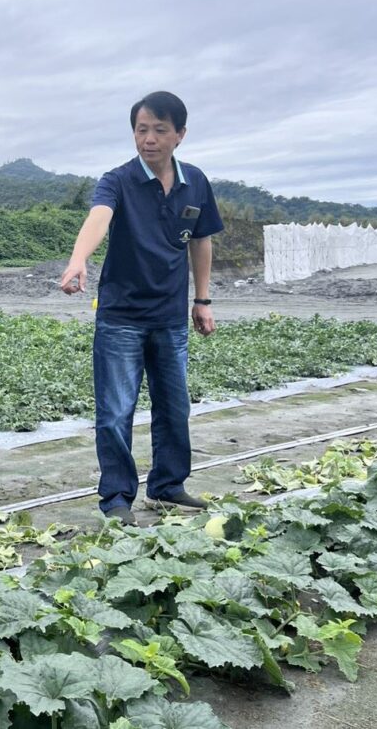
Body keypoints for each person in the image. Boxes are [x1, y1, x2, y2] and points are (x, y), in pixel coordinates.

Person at [60, 91, 224, 526]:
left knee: (175, 407)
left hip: (170, 317)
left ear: (180, 135)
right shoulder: (117, 180)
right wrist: (79, 260)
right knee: (115, 412)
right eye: (141, 130)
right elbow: (99, 216)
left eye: (159, 130)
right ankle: (117, 498)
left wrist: (202, 300)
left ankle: (168, 487)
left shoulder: (196, 183)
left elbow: (202, 241)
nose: (148, 139)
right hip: (121, 317)